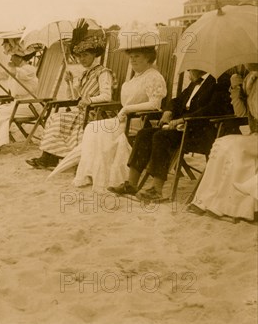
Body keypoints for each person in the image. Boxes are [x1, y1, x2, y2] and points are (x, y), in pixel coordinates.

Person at [53, 36, 167, 192]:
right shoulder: (136, 77)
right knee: (92, 127)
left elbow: (155, 104)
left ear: (148, 57)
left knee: (99, 130)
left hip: (140, 120)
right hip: (124, 119)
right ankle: (92, 173)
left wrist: (127, 109)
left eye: (137, 56)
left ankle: (104, 176)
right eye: (131, 57)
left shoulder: (153, 76)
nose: (133, 60)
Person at [108, 69, 233, 201]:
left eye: (190, 67)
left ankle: (156, 190)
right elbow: (177, 101)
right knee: (144, 134)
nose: (188, 70)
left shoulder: (221, 80)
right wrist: (168, 111)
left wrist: (183, 120)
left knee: (161, 137)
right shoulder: (195, 83)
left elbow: (213, 109)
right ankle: (131, 184)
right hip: (182, 129)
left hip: (202, 132)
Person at [26, 20, 113, 169]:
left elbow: (107, 96)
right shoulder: (86, 74)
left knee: (58, 119)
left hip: (97, 113)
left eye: (85, 55)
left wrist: (89, 100)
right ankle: (49, 156)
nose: (82, 59)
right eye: (79, 57)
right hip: (83, 112)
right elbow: (75, 97)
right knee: (55, 117)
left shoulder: (103, 73)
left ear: (94, 55)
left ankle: (50, 158)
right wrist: (69, 82)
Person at [187, 63, 257, 220]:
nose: (245, 63)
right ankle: (206, 200)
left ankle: (229, 206)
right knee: (222, 143)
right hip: (255, 136)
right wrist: (236, 90)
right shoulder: (250, 79)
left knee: (235, 147)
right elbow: (241, 114)